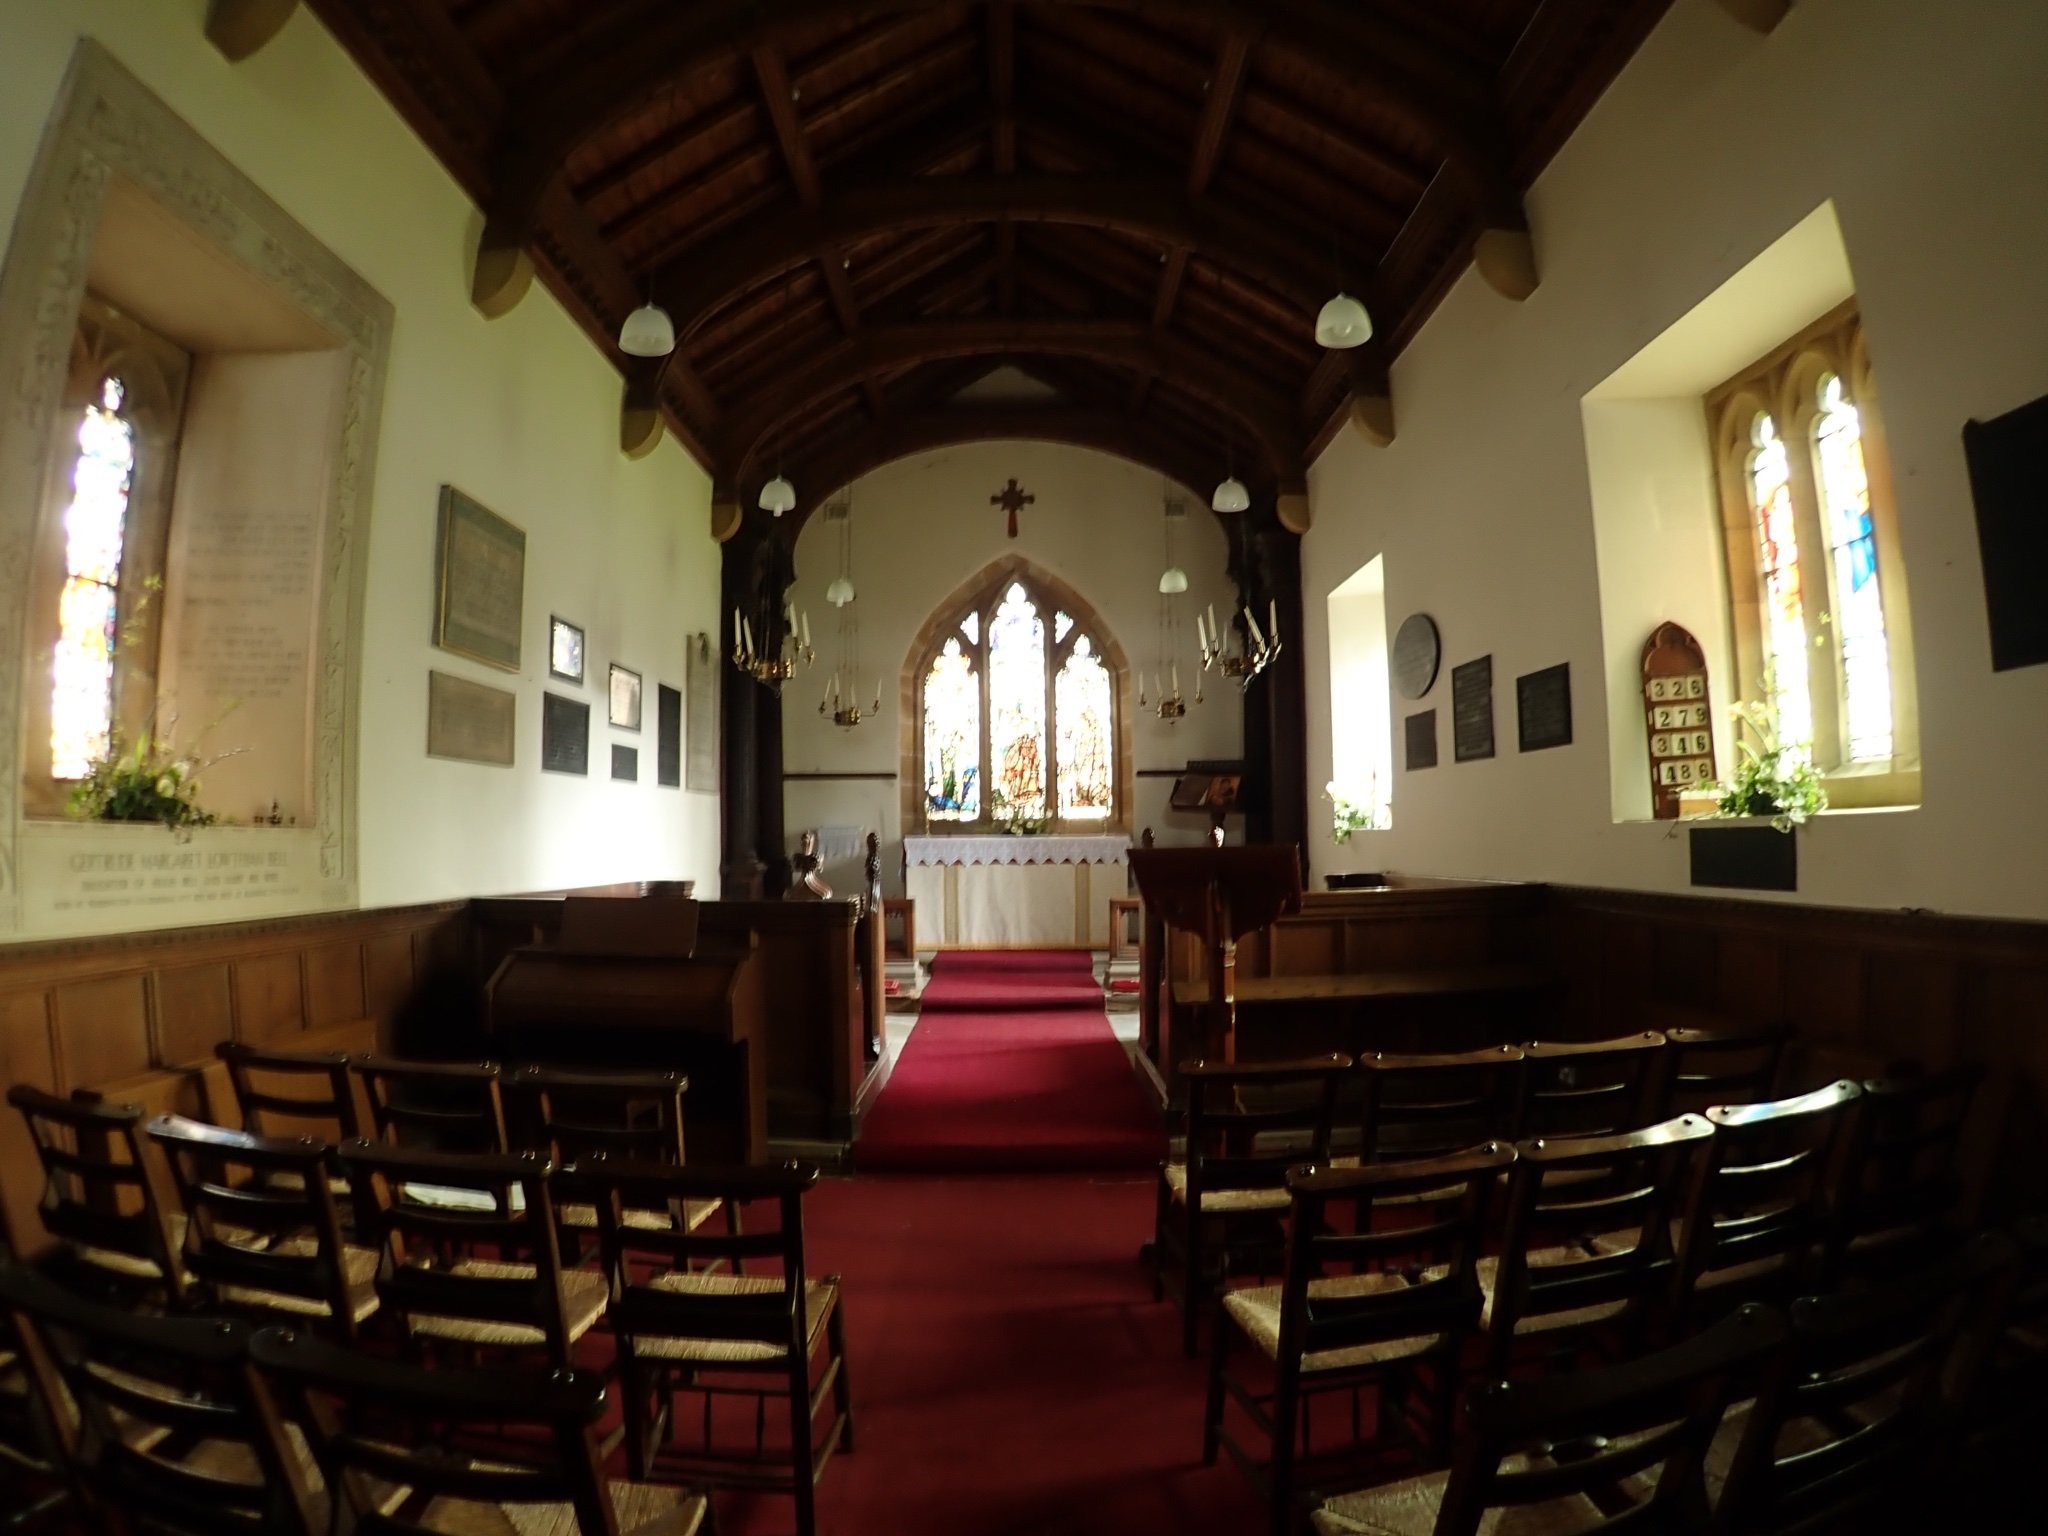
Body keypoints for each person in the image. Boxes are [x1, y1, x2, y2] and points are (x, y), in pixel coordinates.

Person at [789, 829, 832, 900]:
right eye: (803, 842)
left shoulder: (816, 856)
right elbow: (795, 868)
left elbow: (820, 868)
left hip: (813, 882)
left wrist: (816, 861)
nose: (805, 845)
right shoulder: (797, 857)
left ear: (812, 843)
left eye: (808, 842)